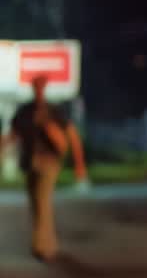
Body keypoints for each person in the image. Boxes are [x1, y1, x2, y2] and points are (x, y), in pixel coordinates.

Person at [1, 75, 87, 262]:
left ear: (45, 88)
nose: (39, 90)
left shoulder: (53, 111)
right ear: (33, 88)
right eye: (36, 86)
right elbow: (13, 135)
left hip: (49, 162)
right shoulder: (25, 111)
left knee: (42, 200)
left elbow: (72, 136)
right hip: (29, 163)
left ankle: (42, 247)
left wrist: (79, 165)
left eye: (41, 86)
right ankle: (49, 243)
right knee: (35, 203)